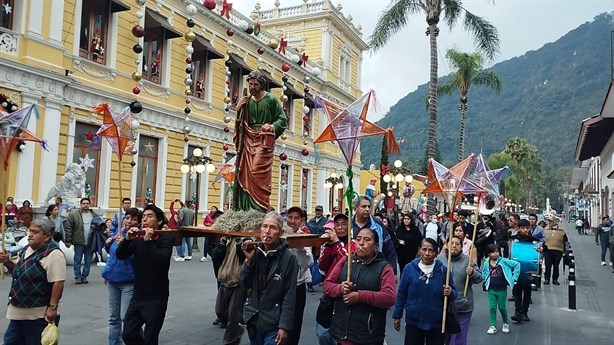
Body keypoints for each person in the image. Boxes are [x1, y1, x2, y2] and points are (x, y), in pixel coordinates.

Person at [323, 228, 396, 345]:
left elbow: (389, 297)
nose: (361, 243)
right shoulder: (346, 260)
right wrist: (340, 289)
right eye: (358, 239)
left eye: (367, 240)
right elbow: (327, 285)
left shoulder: (384, 267)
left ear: (376, 246)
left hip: (367, 335)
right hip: (341, 332)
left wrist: (359, 296)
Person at [0, 218, 66, 345]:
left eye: (35, 232)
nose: (30, 235)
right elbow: (18, 271)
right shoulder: (26, 249)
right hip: (18, 311)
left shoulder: (54, 254)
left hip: (39, 314)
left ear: (47, 236)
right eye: (30, 231)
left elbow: (58, 282)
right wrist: (7, 262)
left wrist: (52, 308)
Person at [116, 204, 173, 345]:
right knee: (128, 334)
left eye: (149, 216)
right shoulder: (138, 239)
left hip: (156, 297)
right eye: (144, 217)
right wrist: (127, 239)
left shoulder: (164, 239)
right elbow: (121, 255)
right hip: (138, 296)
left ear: (159, 221)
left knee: (150, 337)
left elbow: (161, 261)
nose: (145, 220)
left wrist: (148, 241)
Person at [239, 212, 298, 345]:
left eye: (272, 228)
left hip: (274, 322)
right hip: (254, 319)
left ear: (281, 233)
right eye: (264, 226)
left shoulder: (288, 259)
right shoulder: (255, 253)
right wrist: (248, 262)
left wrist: (284, 326)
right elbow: (243, 283)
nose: (267, 231)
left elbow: (290, 295)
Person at [233, 70, 287, 212]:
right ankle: (245, 209)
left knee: (257, 171)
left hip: (264, 139)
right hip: (248, 139)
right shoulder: (247, 100)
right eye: (250, 84)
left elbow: (282, 119)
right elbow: (240, 122)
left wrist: (272, 126)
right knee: (245, 172)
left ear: (261, 85)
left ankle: (259, 208)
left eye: (256, 84)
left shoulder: (271, 99)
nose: (252, 87)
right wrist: (238, 109)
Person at [393, 238, 457, 345]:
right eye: (424, 249)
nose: (427, 253)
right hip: (413, 321)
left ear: (436, 253)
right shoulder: (409, 269)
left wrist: (450, 292)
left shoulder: (443, 271)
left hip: (437, 323)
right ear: (419, 250)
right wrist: (397, 315)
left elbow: (454, 294)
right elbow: (402, 294)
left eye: (431, 250)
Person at [102, 207, 140, 345]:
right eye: (127, 218)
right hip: (112, 279)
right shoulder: (120, 232)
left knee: (126, 316)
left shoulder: (138, 236)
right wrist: (108, 245)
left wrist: (125, 244)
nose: (129, 221)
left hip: (128, 281)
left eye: (134, 219)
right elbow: (113, 254)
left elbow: (135, 257)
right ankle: (114, 343)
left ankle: (137, 339)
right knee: (113, 318)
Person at [437, 235, 482, 345]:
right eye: (452, 243)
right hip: (442, 304)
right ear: (446, 245)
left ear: (461, 247)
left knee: (458, 338)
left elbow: (479, 278)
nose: (454, 246)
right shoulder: (439, 259)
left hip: (462, 304)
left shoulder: (468, 260)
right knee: (444, 336)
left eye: (457, 244)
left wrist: (472, 273)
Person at [316, 213, 353, 345]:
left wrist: (337, 243)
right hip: (329, 292)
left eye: (344, 224)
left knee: (342, 334)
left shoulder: (353, 243)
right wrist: (327, 246)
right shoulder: (328, 244)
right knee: (322, 333)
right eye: (337, 224)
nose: (340, 227)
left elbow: (349, 261)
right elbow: (321, 265)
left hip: (345, 291)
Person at [285, 206, 314, 345]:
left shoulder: (304, 237)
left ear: (302, 221)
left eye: (296, 218)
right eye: (290, 217)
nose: (292, 221)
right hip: (280, 286)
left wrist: (300, 247)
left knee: (295, 324)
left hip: (297, 286)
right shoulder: (279, 234)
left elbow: (308, 263)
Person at [210, 234, 246, 344]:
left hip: (237, 283)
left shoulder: (244, 240)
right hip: (224, 282)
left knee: (234, 317)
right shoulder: (225, 240)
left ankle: (231, 340)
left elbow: (244, 257)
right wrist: (222, 244)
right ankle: (237, 326)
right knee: (220, 311)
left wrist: (240, 242)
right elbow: (214, 256)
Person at [352, 195, 398, 274]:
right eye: (363, 206)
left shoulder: (377, 224)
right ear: (355, 208)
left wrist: (393, 271)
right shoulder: (348, 224)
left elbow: (389, 248)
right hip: (352, 268)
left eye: (368, 207)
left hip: (374, 268)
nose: (367, 209)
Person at [482, 243, 520, 335]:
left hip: (501, 289)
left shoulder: (503, 261)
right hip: (491, 289)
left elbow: (517, 264)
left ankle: (505, 323)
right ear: (488, 254)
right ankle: (492, 325)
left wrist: (514, 278)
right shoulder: (486, 262)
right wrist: (484, 278)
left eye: (497, 251)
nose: (495, 254)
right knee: (492, 308)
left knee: (502, 307)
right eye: (493, 252)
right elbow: (484, 272)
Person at [509, 219, 542, 322]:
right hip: (517, 268)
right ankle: (517, 312)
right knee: (517, 290)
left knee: (527, 290)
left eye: (527, 228)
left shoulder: (534, 240)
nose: (525, 230)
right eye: (523, 228)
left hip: (529, 267)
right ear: (518, 228)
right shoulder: (513, 239)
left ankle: (525, 312)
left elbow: (544, 248)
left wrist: (541, 249)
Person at [65, 197, 100, 284]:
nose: (85, 205)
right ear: (80, 205)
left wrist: (96, 227)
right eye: (84, 203)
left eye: (87, 203)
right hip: (78, 241)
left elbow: (100, 225)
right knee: (77, 259)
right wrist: (68, 240)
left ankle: (84, 276)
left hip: (90, 241)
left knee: (88, 260)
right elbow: (69, 227)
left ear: (89, 204)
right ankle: (77, 277)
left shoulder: (94, 215)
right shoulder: (74, 215)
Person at [395, 213, 423, 277]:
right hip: (401, 254)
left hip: (412, 254)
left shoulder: (415, 230)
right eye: (405, 219)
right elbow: (394, 239)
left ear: (411, 220)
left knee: (411, 269)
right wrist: (399, 241)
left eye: (408, 219)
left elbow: (419, 240)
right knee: (403, 269)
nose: (406, 220)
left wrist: (419, 250)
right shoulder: (399, 229)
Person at [542, 216, 567, 285]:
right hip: (547, 250)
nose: (549, 222)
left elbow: (566, 241)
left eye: (551, 221)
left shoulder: (561, 231)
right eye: (549, 221)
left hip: (558, 250)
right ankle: (547, 279)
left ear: (556, 222)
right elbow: (541, 240)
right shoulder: (545, 230)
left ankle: (555, 279)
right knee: (548, 265)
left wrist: (565, 251)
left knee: (556, 265)